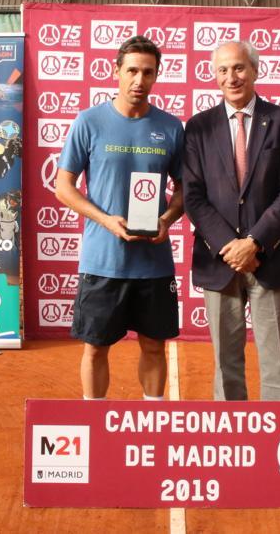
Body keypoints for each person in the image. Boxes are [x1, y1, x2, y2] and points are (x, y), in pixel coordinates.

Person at [55, 35, 185, 401]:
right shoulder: (89, 122)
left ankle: (153, 422)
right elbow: (63, 187)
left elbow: (184, 189)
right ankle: (94, 423)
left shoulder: (171, 128)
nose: (138, 80)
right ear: (116, 72)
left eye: (148, 72)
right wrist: (105, 220)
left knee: (155, 348)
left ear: (157, 76)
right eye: (132, 71)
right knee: (95, 349)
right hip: (102, 262)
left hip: (153, 265)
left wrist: (168, 219)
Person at [183, 40, 280, 402]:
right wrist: (229, 247)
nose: (231, 77)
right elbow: (193, 195)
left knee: (276, 365)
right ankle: (232, 441)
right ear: (214, 75)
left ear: (254, 71)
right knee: (225, 364)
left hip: (272, 259)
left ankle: (276, 443)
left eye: (238, 68)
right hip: (218, 262)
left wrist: (254, 243)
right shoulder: (198, 128)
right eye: (223, 70)